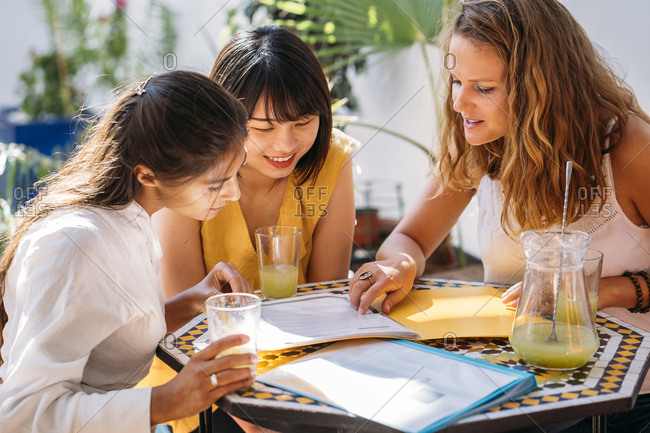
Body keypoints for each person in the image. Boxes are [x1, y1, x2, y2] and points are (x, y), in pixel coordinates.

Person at [348, 0, 649, 430]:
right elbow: (410, 237)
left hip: (622, 398)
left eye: (484, 88)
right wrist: (400, 263)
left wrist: (593, 291)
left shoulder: (629, 150)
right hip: (510, 387)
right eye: (455, 82)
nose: (459, 103)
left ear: (543, 87)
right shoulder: (481, 142)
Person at [0, 71, 257, 432]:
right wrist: (166, 401)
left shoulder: (128, 221)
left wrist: (191, 303)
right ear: (148, 176)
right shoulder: (75, 247)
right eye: (216, 185)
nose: (234, 195)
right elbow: (21, 415)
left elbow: (105, 336)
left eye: (237, 170)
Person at [140, 26, 357, 433]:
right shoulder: (190, 171)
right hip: (203, 374)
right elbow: (187, 323)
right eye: (263, 128)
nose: (285, 144)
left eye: (303, 122)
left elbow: (324, 301)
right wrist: (254, 412)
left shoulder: (332, 162)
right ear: (226, 119)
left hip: (303, 362)